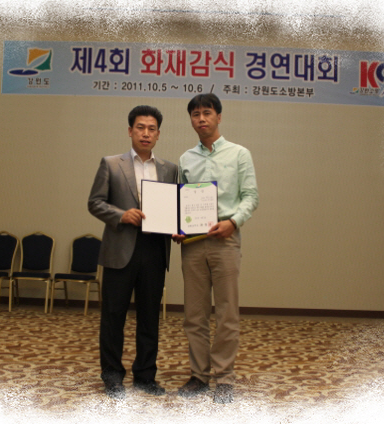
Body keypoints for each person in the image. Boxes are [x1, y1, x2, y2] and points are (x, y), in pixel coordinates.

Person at [172, 93, 259, 404]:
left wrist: (233, 222)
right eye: (195, 114)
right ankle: (199, 375)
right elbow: (180, 201)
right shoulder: (186, 159)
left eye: (207, 113)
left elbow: (251, 196)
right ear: (191, 120)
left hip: (225, 240)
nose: (201, 119)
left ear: (219, 117)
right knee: (194, 314)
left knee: (226, 313)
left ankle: (224, 378)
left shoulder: (239, 154)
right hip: (192, 244)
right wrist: (176, 225)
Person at [88, 105, 178, 400]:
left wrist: (179, 226)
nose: (145, 133)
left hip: (155, 250)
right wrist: (121, 215)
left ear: (158, 134)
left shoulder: (169, 169)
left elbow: (174, 207)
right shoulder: (111, 164)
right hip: (120, 249)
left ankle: (145, 376)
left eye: (152, 129)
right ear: (130, 131)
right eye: (140, 127)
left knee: (150, 317)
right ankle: (112, 376)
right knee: (113, 316)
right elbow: (95, 202)